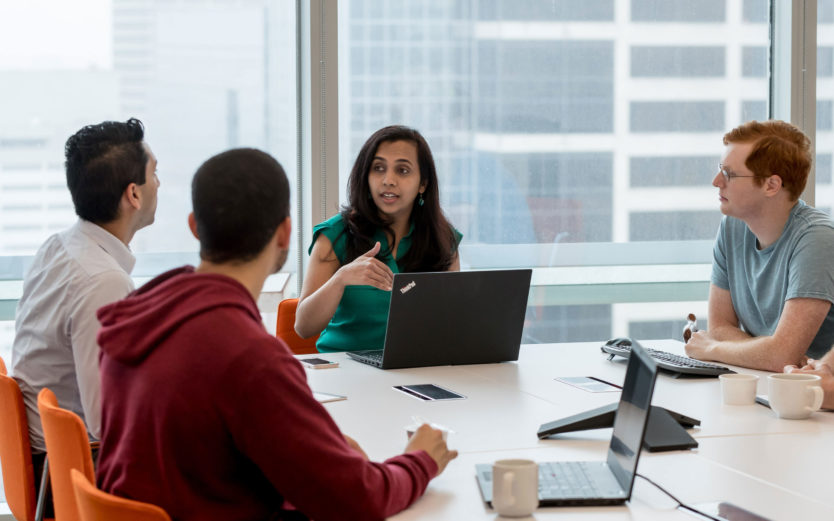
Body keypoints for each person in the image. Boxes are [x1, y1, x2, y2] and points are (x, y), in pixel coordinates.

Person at [95, 148, 457, 521]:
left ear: (195, 226)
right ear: (285, 233)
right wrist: (421, 460)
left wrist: (316, 449)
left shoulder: (138, 315)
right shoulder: (250, 358)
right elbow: (359, 500)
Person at [11, 118, 159, 491]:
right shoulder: (101, 280)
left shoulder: (59, 246)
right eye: (155, 173)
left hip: (51, 461)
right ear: (134, 195)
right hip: (74, 470)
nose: (160, 183)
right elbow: (105, 420)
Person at [295, 125, 462, 352]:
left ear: (423, 183)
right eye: (378, 168)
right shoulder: (335, 235)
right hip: (345, 371)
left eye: (402, 170)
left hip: (416, 370)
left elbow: (453, 322)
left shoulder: (443, 239)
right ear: (366, 177)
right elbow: (304, 327)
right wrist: (341, 278)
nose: (388, 180)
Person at [685, 120, 834, 372]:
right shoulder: (732, 227)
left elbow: (780, 356)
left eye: (729, 174)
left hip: (812, 400)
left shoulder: (818, 239)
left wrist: (712, 349)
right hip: (763, 381)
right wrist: (769, 352)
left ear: (771, 185)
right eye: (720, 169)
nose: (716, 181)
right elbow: (720, 327)